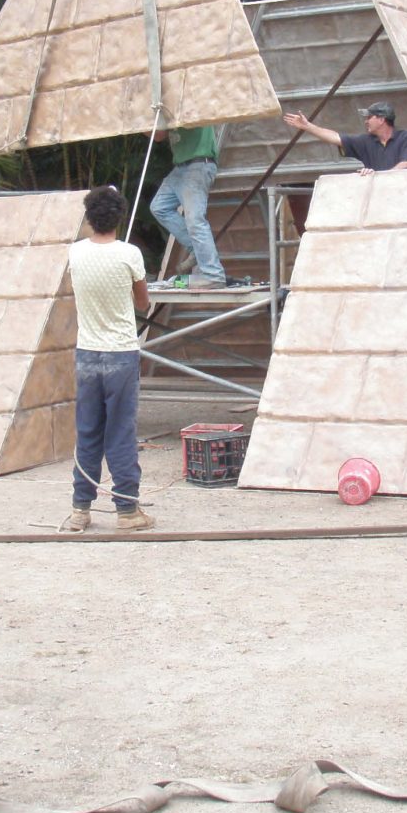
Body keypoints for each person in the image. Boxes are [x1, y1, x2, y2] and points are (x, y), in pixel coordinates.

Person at [65, 186, 154, 533]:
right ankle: (127, 511)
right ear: (120, 218)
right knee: (120, 432)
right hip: (120, 353)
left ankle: (80, 510)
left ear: (89, 219)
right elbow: (143, 304)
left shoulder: (75, 253)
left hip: (87, 352)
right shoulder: (129, 254)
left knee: (88, 430)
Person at [150, 123, 240, 287]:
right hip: (180, 167)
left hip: (198, 164)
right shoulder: (167, 108)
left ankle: (213, 274)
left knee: (195, 219)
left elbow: (192, 118)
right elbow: (158, 136)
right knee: (159, 206)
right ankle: (196, 250)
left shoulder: (189, 100)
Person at [283, 101, 407, 174]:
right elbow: (335, 137)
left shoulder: (406, 138)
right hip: (379, 196)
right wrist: (307, 126)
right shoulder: (366, 141)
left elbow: (406, 165)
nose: (366, 121)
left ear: (381, 119)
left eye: (369, 117)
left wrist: (378, 176)